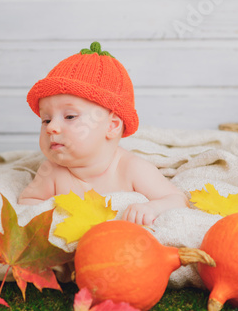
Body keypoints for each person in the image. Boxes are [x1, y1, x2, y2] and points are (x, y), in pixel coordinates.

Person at [18, 42, 188, 225]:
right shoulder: (51, 171)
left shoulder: (132, 169)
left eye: (69, 116)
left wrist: (151, 208)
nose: (52, 128)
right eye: (46, 120)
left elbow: (177, 199)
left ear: (112, 126)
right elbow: (27, 204)